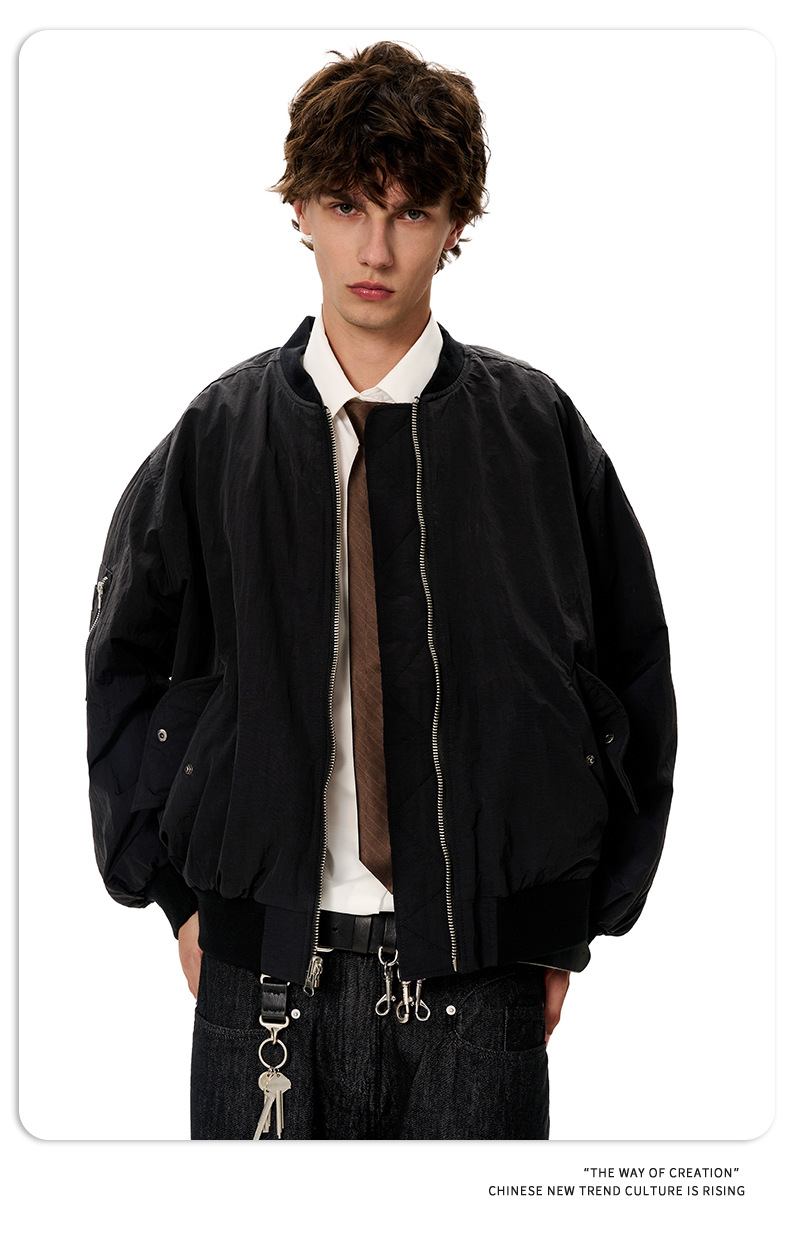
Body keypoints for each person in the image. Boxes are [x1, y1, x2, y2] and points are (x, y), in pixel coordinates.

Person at [85, 41, 677, 1140]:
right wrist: (175, 897)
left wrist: (563, 923)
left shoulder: (535, 432)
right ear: (301, 210)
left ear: (456, 225)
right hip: (259, 978)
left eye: (411, 212)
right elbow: (126, 656)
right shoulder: (219, 434)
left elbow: (630, 669)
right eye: (348, 204)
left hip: (482, 981)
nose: (374, 247)